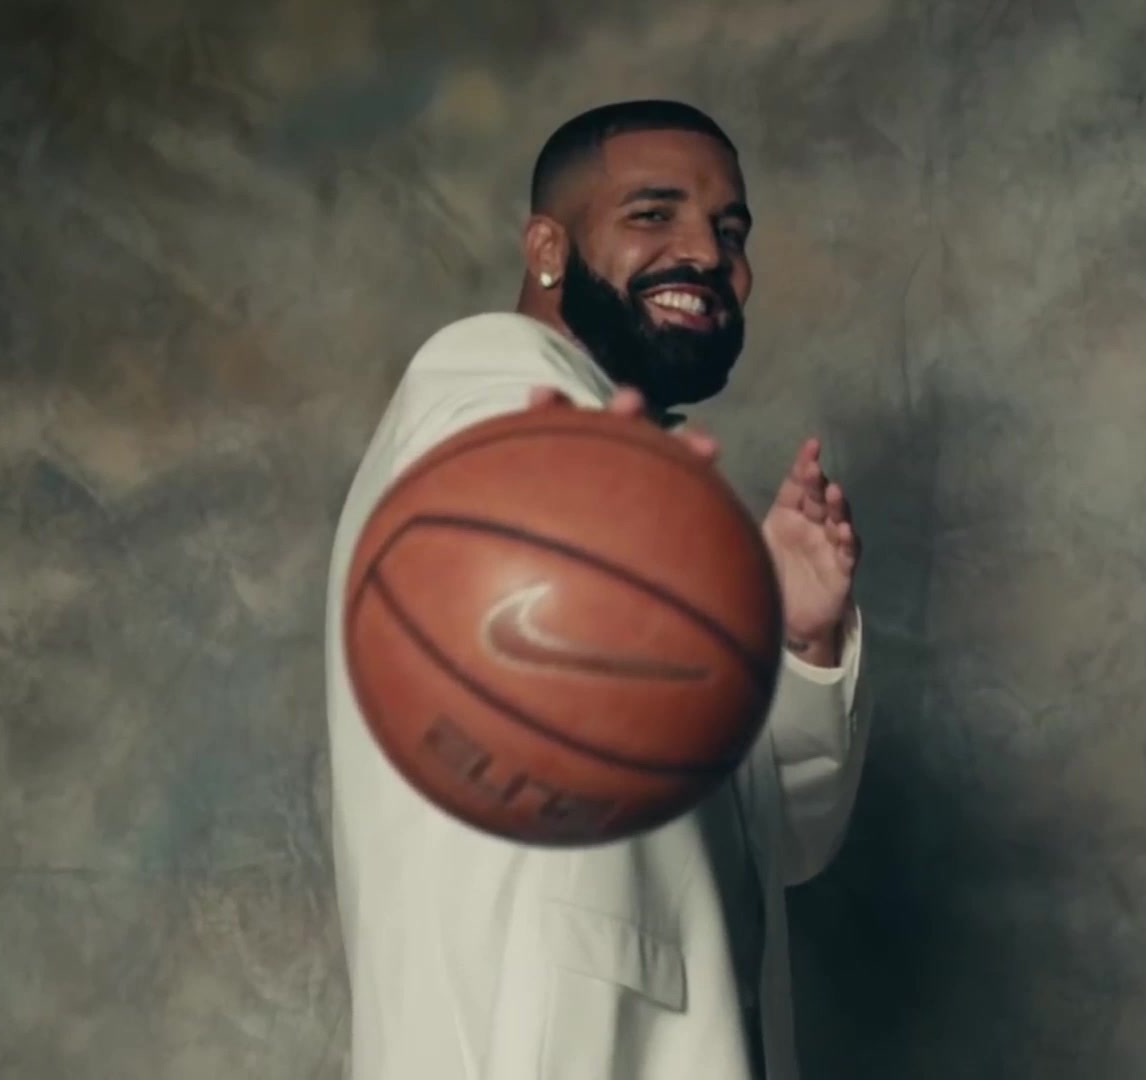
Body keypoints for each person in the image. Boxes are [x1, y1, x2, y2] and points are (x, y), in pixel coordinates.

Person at [323, 99, 870, 1079]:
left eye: (731, 230)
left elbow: (782, 846)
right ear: (547, 249)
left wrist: (795, 640)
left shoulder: (647, 494)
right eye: (654, 213)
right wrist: (589, 495)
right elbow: (500, 536)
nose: (705, 252)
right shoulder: (482, 378)